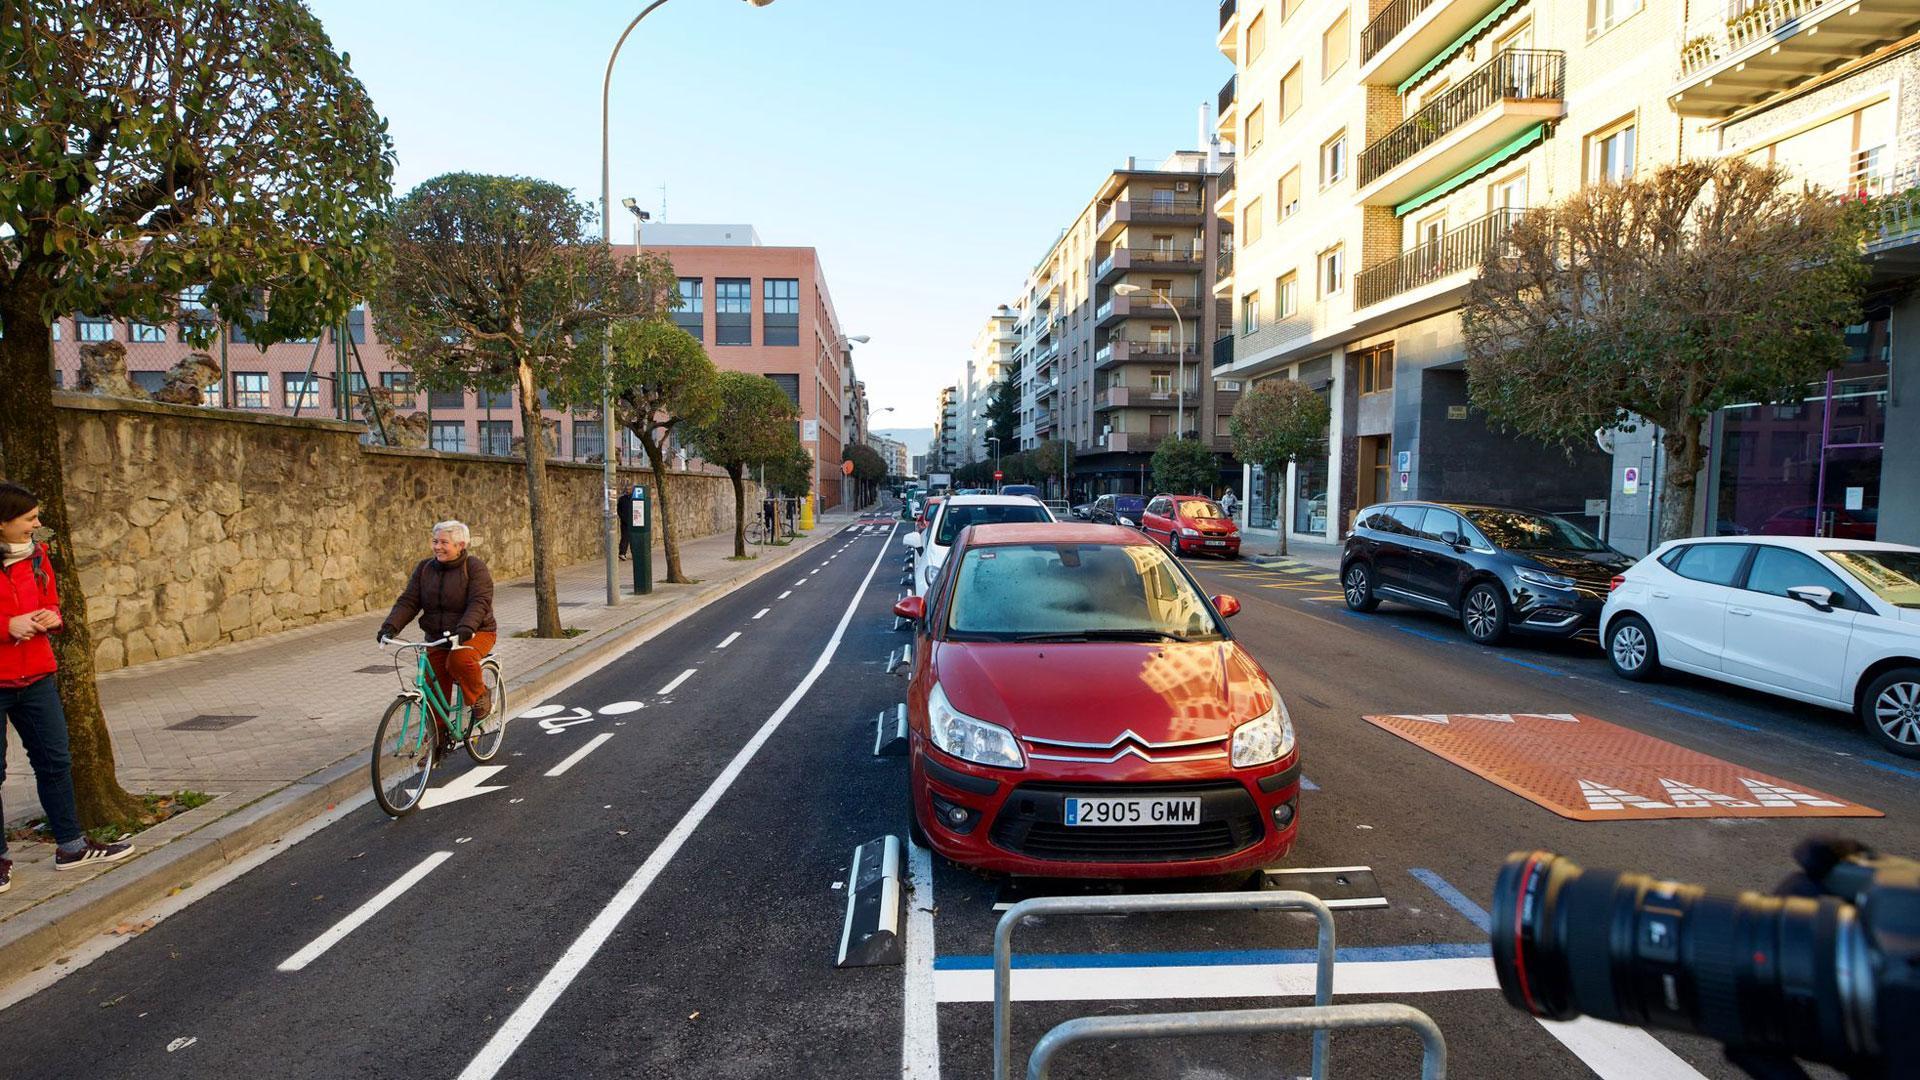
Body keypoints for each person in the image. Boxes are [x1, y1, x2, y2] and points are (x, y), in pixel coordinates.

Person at [0, 482, 134, 892]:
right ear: (2, 523)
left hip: (38, 676)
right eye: (29, 520)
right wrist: (6, 627)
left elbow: (54, 603)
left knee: (56, 763)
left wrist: (50, 618)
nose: (37, 526)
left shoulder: (37, 556)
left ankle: (72, 847)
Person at [378, 521, 497, 749]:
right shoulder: (425, 569)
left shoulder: (474, 568)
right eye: (435, 541)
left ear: (460, 545)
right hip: (437, 637)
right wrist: (390, 626)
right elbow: (409, 601)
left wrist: (467, 628)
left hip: (476, 632)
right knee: (433, 686)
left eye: (444, 542)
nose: (437, 547)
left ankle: (481, 696)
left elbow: (479, 601)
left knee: (459, 660)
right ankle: (438, 741)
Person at [616, 488, 633, 561]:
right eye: (627, 489)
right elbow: (618, 509)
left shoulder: (634, 499)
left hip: (633, 522)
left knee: (633, 538)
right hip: (625, 522)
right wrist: (623, 518)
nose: (628, 491)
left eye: (629, 489)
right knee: (625, 537)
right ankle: (622, 553)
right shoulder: (622, 499)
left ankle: (634, 553)